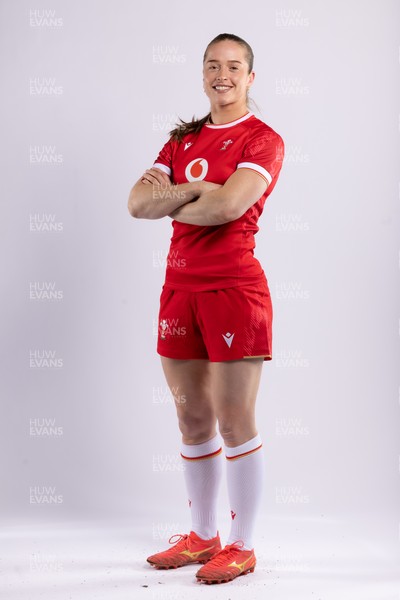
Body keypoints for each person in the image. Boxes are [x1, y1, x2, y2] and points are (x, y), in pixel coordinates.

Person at [127, 32, 284, 585]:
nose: (223, 75)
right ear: (202, 73)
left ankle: (242, 546)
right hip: (178, 291)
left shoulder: (262, 139)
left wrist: (186, 199)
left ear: (250, 77)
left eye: (234, 66)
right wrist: (200, 194)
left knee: (233, 417)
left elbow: (228, 208)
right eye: (213, 65)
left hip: (233, 292)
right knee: (191, 416)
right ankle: (203, 536)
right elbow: (138, 203)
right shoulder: (183, 139)